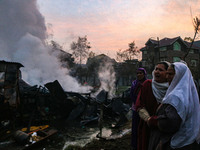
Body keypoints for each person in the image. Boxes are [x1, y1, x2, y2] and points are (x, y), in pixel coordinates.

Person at [147, 62, 200, 150]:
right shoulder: (188, 94)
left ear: (180, 76)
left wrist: (154, 121)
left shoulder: (176, 96)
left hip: (176, 142)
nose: (167, 77)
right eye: (167, 73)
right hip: (189, 139)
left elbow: (171, 122)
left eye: (171, 74)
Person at [135, 61, 170, 150]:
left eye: (161, 70)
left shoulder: (171, 88)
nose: (157, 72)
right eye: (156, 69)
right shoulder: (147, 85)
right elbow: (139, 105)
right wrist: (148, 119)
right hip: (147, 126)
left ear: (167, 73)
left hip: (165, 127)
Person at [130, 68, 147, 150]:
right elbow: (131, 95)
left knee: (143, 128)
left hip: (145, 109)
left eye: (141, 73)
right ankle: (135, 145)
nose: (139, 75)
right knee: (135, 127)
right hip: (135, 108)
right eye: (137, 73)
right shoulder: (134, 84)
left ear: (144, 74)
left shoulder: (147, 84)